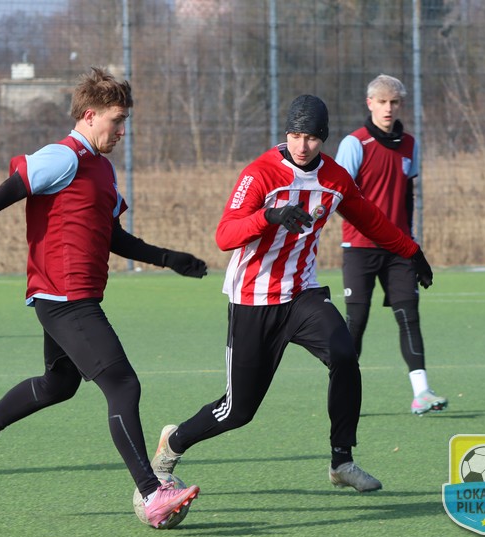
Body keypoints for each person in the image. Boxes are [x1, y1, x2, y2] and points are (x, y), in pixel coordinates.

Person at [0, 67, 206, 528]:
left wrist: (168, 257)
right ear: (89, 116)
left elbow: (113, 236)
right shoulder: (62, 157)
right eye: (116, 120)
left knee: (59, 384)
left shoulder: (102, 168)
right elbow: (4, 194)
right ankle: (153, 494)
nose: (122, 131)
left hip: (69, 295)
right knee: (123, 385)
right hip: (66, 298)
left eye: (125, 121)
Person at [149, 94, 434, 493]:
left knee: (344, 354)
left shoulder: (335, 179)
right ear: (286, 134)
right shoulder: (260, 174)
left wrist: (411, 251)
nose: (302, 146)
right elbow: (224, 236)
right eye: (296, 136)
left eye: (312, 138)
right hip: (253, 300)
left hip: (302, 294)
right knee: (238, 410)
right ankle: (173, 443)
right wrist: (269, 215)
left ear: (324, 138)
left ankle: (342, 460)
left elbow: (370, 219)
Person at [335, 74, 447, 416]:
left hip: (398, 248)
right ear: (369, 103)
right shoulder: (354, 143)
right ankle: (343, 395)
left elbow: (408, 197)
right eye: (382, 102)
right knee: (356, 321)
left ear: (400, 105)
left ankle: (422, 393)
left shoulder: (410, 144)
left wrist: (411, 245)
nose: (388, 108)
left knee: (409, 316)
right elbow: (339, 196)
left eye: (394, 102)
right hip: (359, 247)